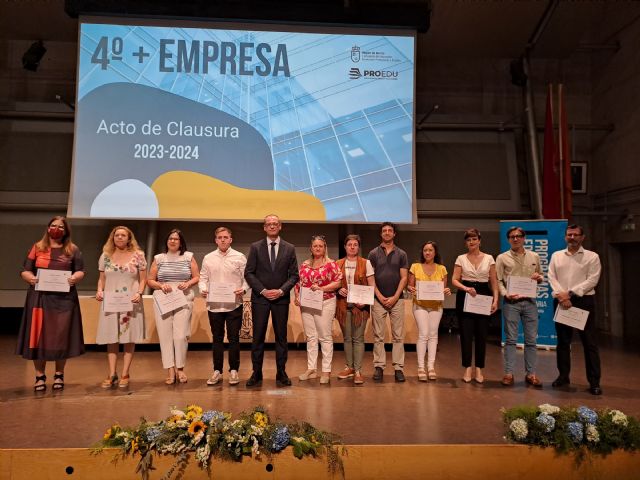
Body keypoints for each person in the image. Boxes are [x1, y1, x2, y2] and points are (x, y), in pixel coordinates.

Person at [16, 216, 85, 391]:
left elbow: (80, 271)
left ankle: (59, 374)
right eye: (53, 226)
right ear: (48, 228)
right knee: (37, 337)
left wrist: (74, 278)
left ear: (66, 231)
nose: (56, 229)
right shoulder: (37, 248)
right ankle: (40, 376)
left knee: (60, 337)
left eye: (60, 227)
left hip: (64, 300)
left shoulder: (72, 249)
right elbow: (25, 271)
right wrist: (31, 278)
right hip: (39, 298)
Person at [244, 214, 299, 387]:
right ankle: (256, 372)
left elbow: (294, 275)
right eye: (269, 224)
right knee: (258, 336)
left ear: (280, 226)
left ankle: (281, 372)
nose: (272, 226)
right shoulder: (255, 247)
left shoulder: (289, 248)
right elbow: (249, 273)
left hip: (281, 300)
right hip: (260, 299)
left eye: (275, 224)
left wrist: (281, 291)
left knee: (281, 337)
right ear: (264, 227)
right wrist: (263, 291)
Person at [548, 224, 602, 395]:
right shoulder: (556, 256)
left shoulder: (592, 257)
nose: (572, 237)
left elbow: (592, 280)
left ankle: (594, 382)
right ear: (565, 237)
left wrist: (570, 293)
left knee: (589, 343)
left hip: (583, 301)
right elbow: (551, 276)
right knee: (563, 342)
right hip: (561, 301)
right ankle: (563, 376)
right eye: (569, 235)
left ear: (582, 237)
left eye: (575, 235)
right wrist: (562, 296)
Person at [95, 226, 147, 388]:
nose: (119, 237)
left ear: (129, 238)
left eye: (123, 235)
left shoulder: (138, 256)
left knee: (128, 337)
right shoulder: (106, 256)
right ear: (113, 237)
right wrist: (99, 290)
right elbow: (101, 279)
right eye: (117, 235)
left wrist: (139, 292)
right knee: (111, 337)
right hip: (111, 301)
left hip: (130, 301)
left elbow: (143, 279)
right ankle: (112, 373)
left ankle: (125, 372)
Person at [147, 229, 199, 384]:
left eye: (176, 239)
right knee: (165, 335)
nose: (173, 241)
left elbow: (197, 276)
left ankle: (180, 368)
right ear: (167, 241)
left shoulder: (188, 257)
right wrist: (160, 285)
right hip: (164, 298)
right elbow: (150, 279)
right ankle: (170, 369)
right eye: (170, 238)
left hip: (183, 297)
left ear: (181, 242)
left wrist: (188, 283)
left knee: (180, 335)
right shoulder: (159, 258)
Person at [199, 227, 248, 386]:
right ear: (216, 240)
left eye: (225, 237)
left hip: (234, 304)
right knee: (217, 339)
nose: (223, 240)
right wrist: (203, 289)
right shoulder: (208, 258)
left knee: (234, 339)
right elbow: (203, 278)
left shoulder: (239, 257)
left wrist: (244, 289)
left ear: (231, 239)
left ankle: (234, 370)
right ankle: (217, 371)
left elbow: (247, 278)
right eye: (219, 237)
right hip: (214, 306)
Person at [496, 226, 544, 387]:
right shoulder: (502, 258)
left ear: (524, 238)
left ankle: (531, 374)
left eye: (518, 236)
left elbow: (541, 276)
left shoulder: (534, 256)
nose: (515, 239)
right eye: (511, 237)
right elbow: (497, 280)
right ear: (508, 239)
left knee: (531, 340)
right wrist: (505, 293)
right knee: (510, 340)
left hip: (530, 302)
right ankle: (509, 373)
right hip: (511, 303)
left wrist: (539, 278)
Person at [451, 228, 499, 383]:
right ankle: (467, 368)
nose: (471, 242)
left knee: (481, 334)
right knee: (465, 333)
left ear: (479, 240)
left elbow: (494, 282)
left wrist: (496, 300)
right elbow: (454, 280)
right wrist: (465, 288)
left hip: (484, 294)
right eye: (468, 240)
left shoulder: (489, 258)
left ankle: (479, 369)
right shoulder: (460, 258)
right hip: (466, 294)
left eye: (474, 239)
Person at [294, 236, 342, 384]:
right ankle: (312, 369)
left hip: (325, 302)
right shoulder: (305, 264)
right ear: (311, 248)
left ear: (324, 248)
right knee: (311, 337)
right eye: (315, 246)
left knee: (325, 337)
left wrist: (321, 288)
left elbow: (338, 282)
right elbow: (299, 283)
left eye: (320, 246)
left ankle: (326, 371)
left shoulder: (331, 264)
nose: (318, 248)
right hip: (307, 304)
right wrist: (297, 296)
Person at [368, 222, 409, 382]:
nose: (387, 233)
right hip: (378, 300)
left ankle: (398, 368)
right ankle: (379, 367)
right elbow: (370, 278)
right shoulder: (373, 253)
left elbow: (404, 277)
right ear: (381, 234)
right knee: (378, 336)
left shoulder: (402, 254)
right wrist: (379, 296)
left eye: (389, 230)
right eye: (384, 231)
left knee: (398, 336)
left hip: (397, 300)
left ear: (394, 234)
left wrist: (394, 297)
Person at [407, 241, 451, 381]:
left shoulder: (442, 269)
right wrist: (410, 288)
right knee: (423, 334)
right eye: (425, 250)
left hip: (436, 306)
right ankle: (421, 367)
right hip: (419, 305)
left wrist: (446, 290)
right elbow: (409, 286)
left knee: (433, 334)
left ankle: (430, 367)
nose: (427, 252)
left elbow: (443, 290)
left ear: (435, 252)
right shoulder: (415, 267)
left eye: (430, 250)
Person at [336, 234, 375, 385]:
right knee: (346, 338)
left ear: (358, 247)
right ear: (345, 247)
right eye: (349, 244)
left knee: (358, 338)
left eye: (355, 244)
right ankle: (349, 367)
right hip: (343, 305)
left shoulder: (366, 263)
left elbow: (371, 285)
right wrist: (338, 289)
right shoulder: (338, 263)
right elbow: (334, 283)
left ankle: (358, 370)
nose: (352, 247)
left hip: (361, 307)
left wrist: (364, 302)